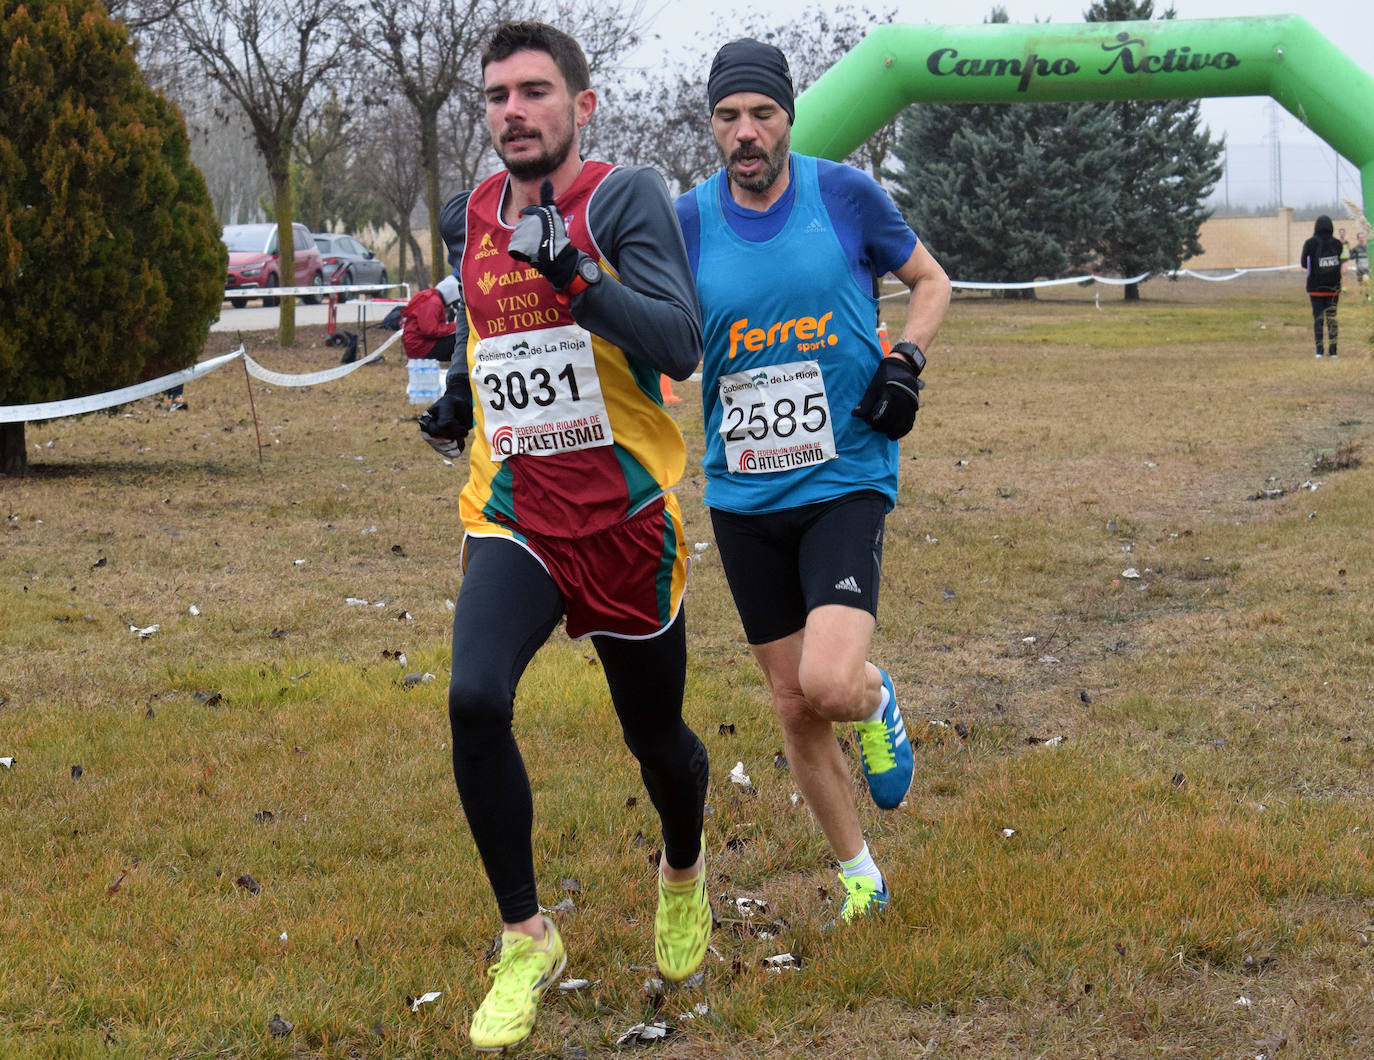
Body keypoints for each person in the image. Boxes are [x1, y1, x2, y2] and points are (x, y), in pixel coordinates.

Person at [413, 21, 711, 1053]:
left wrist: (579, 278)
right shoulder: (476, 214)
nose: (513, 112)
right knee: (473, 696)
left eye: (535, 92)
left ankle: (681, 859)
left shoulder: (624, 198)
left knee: (656, 743)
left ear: (582, 107)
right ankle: (526, 935)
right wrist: (455, 393)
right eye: (496, 96)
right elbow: (484, 325)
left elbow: (682, 342)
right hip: (515, 510)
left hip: (625, 519)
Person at [674, 40, 951, 927]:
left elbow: (930, 281)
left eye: (761, 114)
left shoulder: (843, 195)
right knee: (793, 705)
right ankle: (862, 878)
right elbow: (650, 328)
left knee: (831, 685)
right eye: (728, 117)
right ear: (712, 126)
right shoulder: (688, 221)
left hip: (845, 474)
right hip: (743, 495)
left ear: (789, 116)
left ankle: (877, 700)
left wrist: (906, 356)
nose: (745, 133)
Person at [1301, 215, 1344, 357]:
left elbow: (1303, 263)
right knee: (1332, 318)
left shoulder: (1309, 243)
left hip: (1315, 289)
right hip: (1333, 289)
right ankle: (1333, 352)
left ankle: (1319, 351)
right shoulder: (1338, 244)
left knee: (1318, 319)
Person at [1352, 232, 1370, 302]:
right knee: (1361, 285)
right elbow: (1350, 257)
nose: (1361, 239)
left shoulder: (1369, 247)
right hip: (1359, 270)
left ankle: (1367, 297)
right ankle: (1365, 297)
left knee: (1366, 281)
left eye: (1363, 237)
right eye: (1360, 237)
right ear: (1358, 239)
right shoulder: (1356, 248)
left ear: (1365, 238)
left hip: (1367, 269)